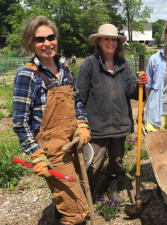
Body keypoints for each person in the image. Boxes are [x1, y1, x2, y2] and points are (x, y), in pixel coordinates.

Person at [12, 16, 91, 225]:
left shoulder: (65, 69)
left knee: (70, 195)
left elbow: (78, 102)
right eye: (40, 40)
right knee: (76, 210)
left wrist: (82, 124)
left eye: (50, 37)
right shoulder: (27, 75)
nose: (47, 43)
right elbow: (20, 123)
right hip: (52, 151)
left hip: (72, 144)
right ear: (31, 43)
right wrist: (36, 154)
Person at [76, 24, 148, 202]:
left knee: (116, 162)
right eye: (106, 39)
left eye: (113, 39)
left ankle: (112, 187)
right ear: (99, 41)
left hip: (119, 124)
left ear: (118, 43)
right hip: (97, 126)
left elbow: (132, 92)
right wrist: (80, 123)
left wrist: (141, 84)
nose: (110, 42)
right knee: (93, 164)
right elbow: (79, 97)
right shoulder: (89, 65)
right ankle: (86, 196)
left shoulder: (123, 65)